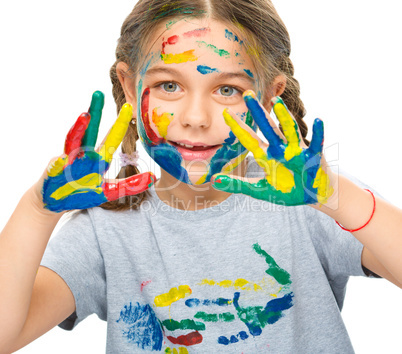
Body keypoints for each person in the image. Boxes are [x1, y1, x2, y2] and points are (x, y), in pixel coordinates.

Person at [1, 0, 402, 353]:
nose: (195, 118)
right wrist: (37, 211)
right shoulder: (107, 231)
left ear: (268, 96)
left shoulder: (310, 205)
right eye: (169, 85)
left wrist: (336, 197)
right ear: (127, 84)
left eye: (227, 90)